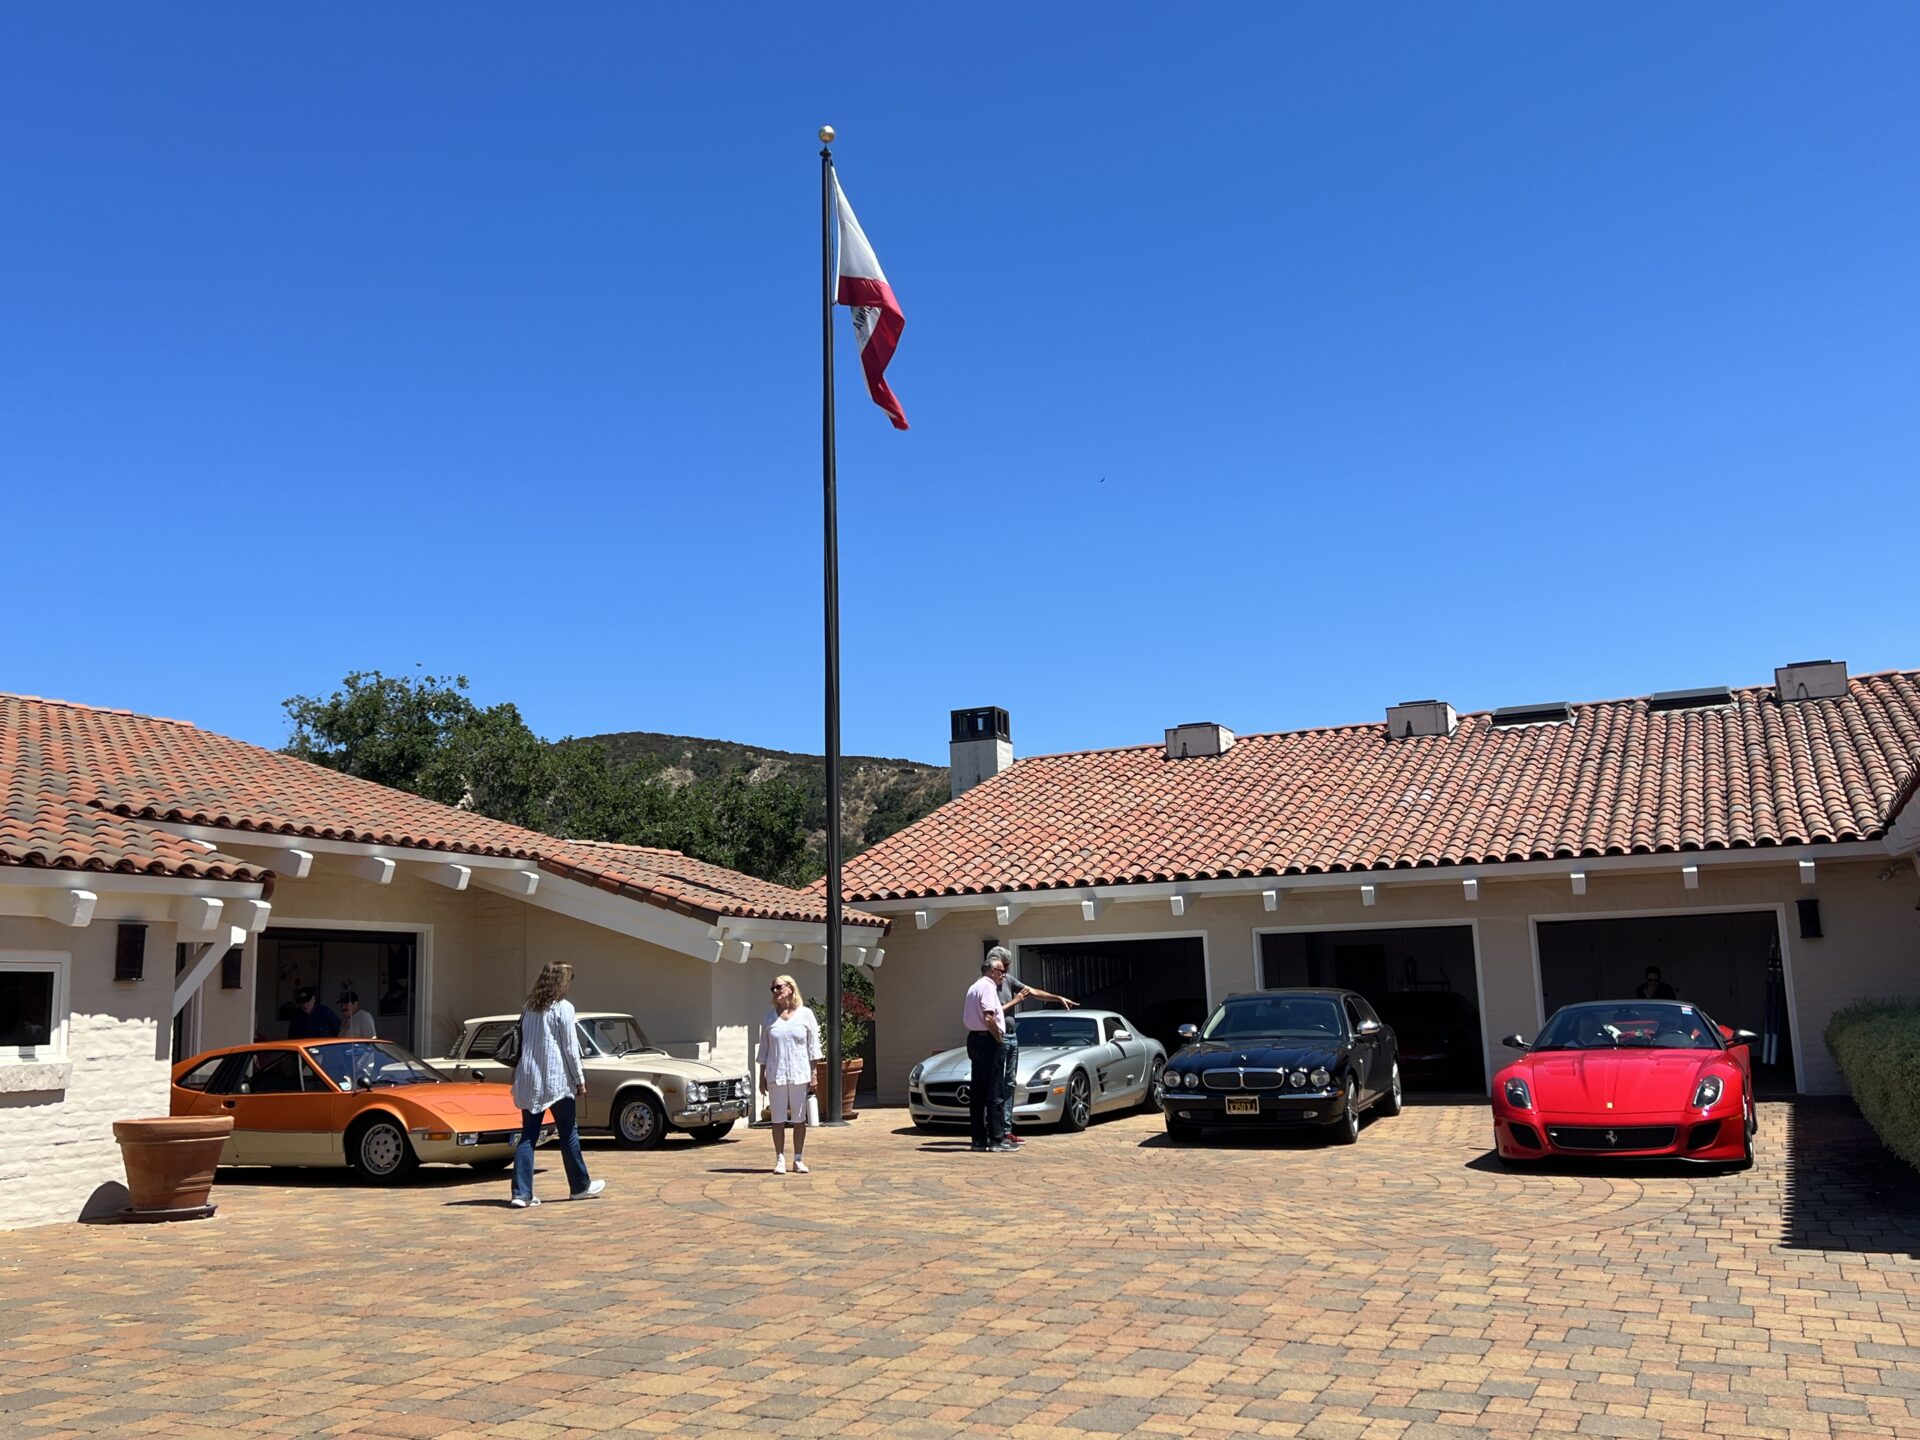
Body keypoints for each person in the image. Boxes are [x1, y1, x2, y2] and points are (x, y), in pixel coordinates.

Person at [508, 961, 606, 1208]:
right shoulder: (564, 1008)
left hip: (529, 1078)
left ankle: (521, 1193)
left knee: (528, 1135)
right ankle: (579, 1185)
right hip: (555, 1079)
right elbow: (570, 1048)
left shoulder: (529, 1009)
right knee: (568, 1132)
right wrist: (579, 1080)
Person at [986, 946, 1076, 1146]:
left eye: (1007, 967)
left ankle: (1006, 1129)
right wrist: (1016, 1001)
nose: (1006, 971)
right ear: (994, 966)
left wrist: (1057, 998)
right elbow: (991, 1013)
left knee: (1009, 1083)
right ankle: (994, 1130)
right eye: (1003, 967)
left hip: (1012, 1037)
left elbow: (1031, 991)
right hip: (996, 1038)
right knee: (995, 1086)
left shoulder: (1008, 980)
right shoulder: (986, 985)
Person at [758, 974, 822, 1175]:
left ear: (791, 989)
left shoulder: (805, 1014)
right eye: (773, 988)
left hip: (799, 1073)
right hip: (776, 1074)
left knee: (799, 1118)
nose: (776, 991)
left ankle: (798, 1158)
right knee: (777, 1118)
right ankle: (779, 1158)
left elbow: (813, 1047)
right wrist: (762, 1075)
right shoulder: (769, 1017)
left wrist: (814, 1073)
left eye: (779, 987)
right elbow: (764, 1049)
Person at [962, 958, 1014, 1153]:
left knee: (978, 1091)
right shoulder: (988, 987)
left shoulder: (973, 987)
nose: (1003, 975)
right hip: (988, 1041)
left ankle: (978, 1139)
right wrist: (999, 1038)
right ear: (992, 971)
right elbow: (988, 1016)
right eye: (1001, 971)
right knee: (995, 1092)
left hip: (974, 1040)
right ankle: (997, 1139)